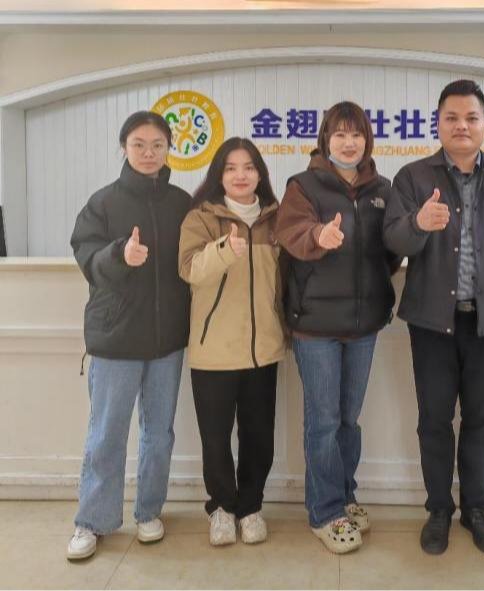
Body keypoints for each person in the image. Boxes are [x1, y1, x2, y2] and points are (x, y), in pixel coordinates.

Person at [383, 79, 484, 556]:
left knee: (481, 421)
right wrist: (418, 224)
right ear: (437, 124)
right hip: (432, 322)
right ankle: (438, 510)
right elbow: (392, 241)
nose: (462, 126)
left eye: (471, 118)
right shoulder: (412, 178)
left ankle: (476, 510)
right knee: (434, 420)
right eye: (451, 118)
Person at [275, 101, 400, 554]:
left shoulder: (382, 189)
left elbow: (390, 251)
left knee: (349, 420)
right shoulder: (303, 185)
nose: (349, 143)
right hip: (316, 326)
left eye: (357, 134)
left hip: (364, 325)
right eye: (340, 134)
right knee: (323, 421)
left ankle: (345, 495)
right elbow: (291, 233)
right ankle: (325, 512)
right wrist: (318, 236)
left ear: (368, 140)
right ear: (325, 139)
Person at [68, 111, 191, 560]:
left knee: (159, 433)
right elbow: (86, 256)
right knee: (107, 433)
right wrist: (121, 254)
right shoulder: (103, 202)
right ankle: (92, 521)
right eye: (139, 144)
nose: (148, 153)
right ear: (124, 147)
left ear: (169, 149)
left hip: (166, 341)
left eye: (157, 145)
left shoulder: (181, 203)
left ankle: (149, 511)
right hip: (116, 338)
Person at [178, 137, 286, 547]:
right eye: (231, 168)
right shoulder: (201, 217)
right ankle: (222, 507)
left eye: (249, 167)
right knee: (216, 438)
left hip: (263, 350)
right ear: (218, 175)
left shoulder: (275, 218)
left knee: (259, 437)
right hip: (214, 351)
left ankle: (251, 507)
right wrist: (225, 249)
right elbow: (189, 269)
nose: (241, 175)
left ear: (260, 174)